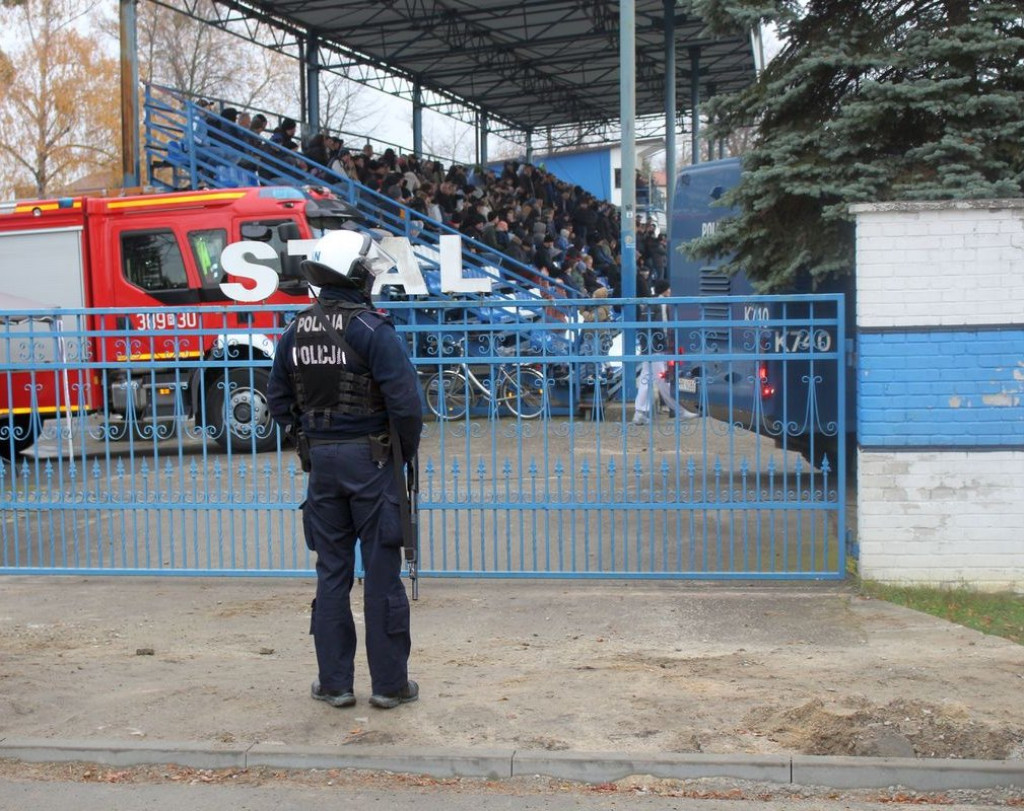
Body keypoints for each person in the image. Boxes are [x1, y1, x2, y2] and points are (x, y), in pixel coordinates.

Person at [268, 229, 423, 711]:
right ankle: (389, 685)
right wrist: (403, 458)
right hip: (372, 463)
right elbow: (407, 407)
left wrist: (309, 443)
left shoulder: (295, 331)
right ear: (354, 275)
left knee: (331, 573)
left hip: (323, 468)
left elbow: (278, 401)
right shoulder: (373, 331)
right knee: (381, 574)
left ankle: (334, 683)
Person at [632, 280, 697, 425]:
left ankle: (640, 412)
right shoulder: (661, 304)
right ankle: (679, 410)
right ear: (666, 290)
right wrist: (665, 345)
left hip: (648, 346)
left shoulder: (652, 302)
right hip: (656, 348)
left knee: (646, 379)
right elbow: (663, 327)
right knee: (662, 380)